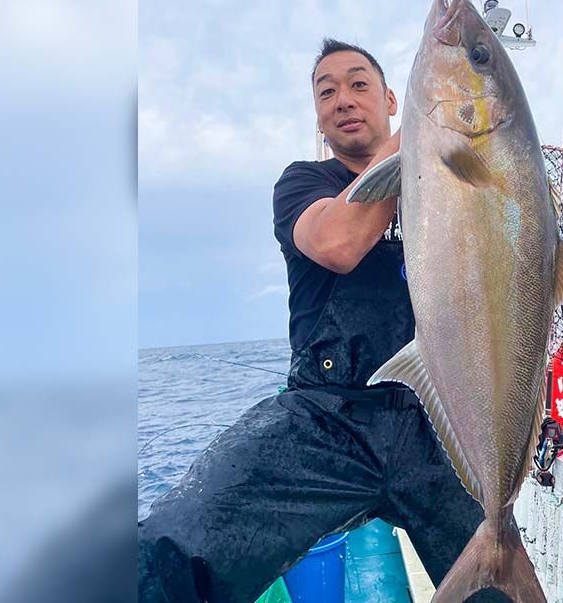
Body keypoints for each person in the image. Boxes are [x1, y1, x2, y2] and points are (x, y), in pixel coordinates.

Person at [138, 39, 509, 603]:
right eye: (326, 90)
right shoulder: (303, 183)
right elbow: (338, 243)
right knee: (170, 549)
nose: (343, 99)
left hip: (435, 424)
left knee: (496, 586)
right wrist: (429, 126)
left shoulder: (448, 189)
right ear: (317, 116)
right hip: (325, 420)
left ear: (388, 99)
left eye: (358, 84)